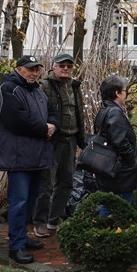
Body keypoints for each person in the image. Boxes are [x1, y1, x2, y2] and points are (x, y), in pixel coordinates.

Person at [0, 55, 60, 264]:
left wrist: (53, 126)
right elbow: (16, 120)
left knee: (29, 202)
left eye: (37, 69)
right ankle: (16, 246)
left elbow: (52, 113)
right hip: (19, 157)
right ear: (19, 69)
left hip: (37, 156)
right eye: (30, 69)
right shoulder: (8, 89)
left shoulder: (38, 92)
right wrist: (44, 129)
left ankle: (22, 237)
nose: (34, 73)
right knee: (18, 202)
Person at [33, 54, 86, 237]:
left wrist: (82, 138)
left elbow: (78, 112)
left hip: (71, 141)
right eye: (61, 65)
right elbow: (39, 112)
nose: (65, 68)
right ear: (53, 67)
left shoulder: (74, 86)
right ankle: (40, 221)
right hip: (52, 142)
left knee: (66, 182)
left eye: (69, 66)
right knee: (46, 183)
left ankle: (53, 221)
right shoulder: (44, 86)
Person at [93, 76, 137, 209]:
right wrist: (131, 160)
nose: (125, 94)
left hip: (107, 168)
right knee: (119, 209)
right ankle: (109, 229)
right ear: (117, 93)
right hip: (120, 172)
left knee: (107, 204)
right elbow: (120, 142)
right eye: (124, 91)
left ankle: (104, 228)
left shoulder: (104, 110)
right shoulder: (115, 113)